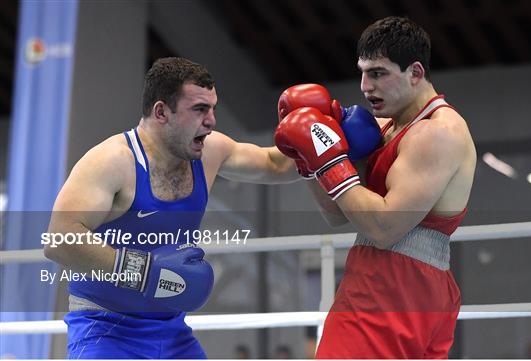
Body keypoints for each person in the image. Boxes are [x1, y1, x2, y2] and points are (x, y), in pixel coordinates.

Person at [44, 57, 299, 359]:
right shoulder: (113, 162)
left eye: (212, 108)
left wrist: (326, 138)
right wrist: (146, 274)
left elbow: (275, 165)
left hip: (172, 329)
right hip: (106, 329)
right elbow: (60, 239)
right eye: (199, 109)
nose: (211, 121)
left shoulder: (210, 151)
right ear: (161, 111)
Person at [275, 16, 476, 358]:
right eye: (363, 72)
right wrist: (308, 162)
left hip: (393, 286)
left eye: (379, 73)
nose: (366, 86)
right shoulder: (386, 127)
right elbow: (339, 213)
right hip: (401, 283)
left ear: (415, 72)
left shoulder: (437, 133)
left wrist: (328, 160)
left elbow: (384, 228)